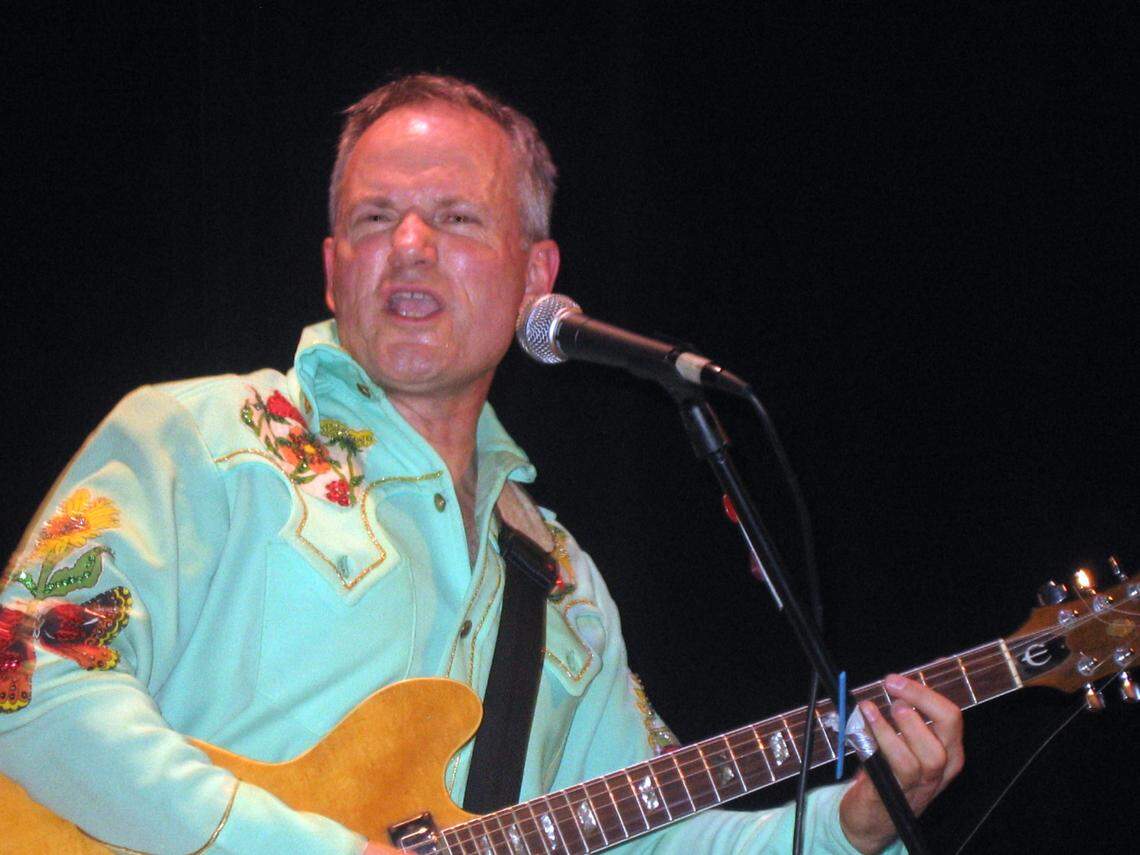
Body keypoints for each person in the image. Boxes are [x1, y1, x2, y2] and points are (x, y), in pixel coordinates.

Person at [0, 74, 962, 854]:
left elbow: (641, 836)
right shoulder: (196, 437)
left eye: (456, 219)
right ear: (334, 267)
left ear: (536, 276)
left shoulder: (564, 580)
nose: (409, 247)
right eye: (376, 220)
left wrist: (845, 827)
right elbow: (22, 678)